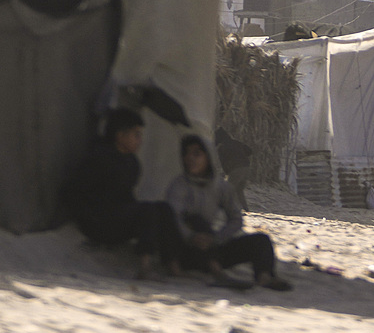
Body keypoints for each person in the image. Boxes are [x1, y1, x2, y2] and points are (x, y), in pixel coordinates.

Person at [61, 108, 181, 280]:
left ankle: (173, 265)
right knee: (147, 210)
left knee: (163, 209)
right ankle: (145, 267)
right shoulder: (100, 158)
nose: (140, 140)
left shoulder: (132, 163)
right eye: (136, 135)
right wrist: (89, 219)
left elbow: (126, 197)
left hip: (119, 217)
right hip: (99, 222)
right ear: (120, 135)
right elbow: (74, 191)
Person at [165, 135, 293, 291]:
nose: (190, 159)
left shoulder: (220, 186)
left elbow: (235, 219)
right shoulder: (178, 186)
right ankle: (217, 273)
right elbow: (173, 218)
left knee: (261, 240)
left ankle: (264, 277)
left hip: (213, 246)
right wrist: (191, 236)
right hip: (187, 250)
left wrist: (217, 238)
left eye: (196, 154)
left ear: (208, 157)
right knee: (197, 220)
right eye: (187, 154)